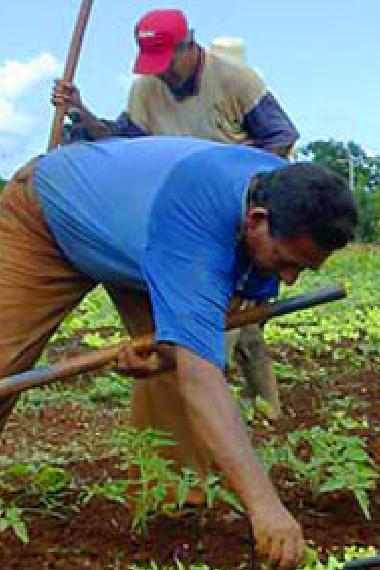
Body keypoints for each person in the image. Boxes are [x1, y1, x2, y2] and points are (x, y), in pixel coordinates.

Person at [0, 137, 356, 570]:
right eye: (286, 261)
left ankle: (172, 515)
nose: (288, 279)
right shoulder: (196, 225)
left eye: (303, 269)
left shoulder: (277, 187)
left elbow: (202, 336)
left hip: (142, 242)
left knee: (177, 366)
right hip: (48, 217)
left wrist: (165, 356)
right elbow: (202, 377)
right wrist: (266, 505)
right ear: (256, 219)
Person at [52, 8, 297, 421]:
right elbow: (124, 144)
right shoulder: (147, 89)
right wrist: (82, 112)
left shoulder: (235, 80)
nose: (162, 73)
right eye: (154, 64)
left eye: (168, 62)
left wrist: (230, 179)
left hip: (234, 222)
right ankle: (258, 416)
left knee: (217, 332)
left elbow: (282, 137)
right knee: (231, 326)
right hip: (181, 224)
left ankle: (232, 424)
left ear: (190, 45)